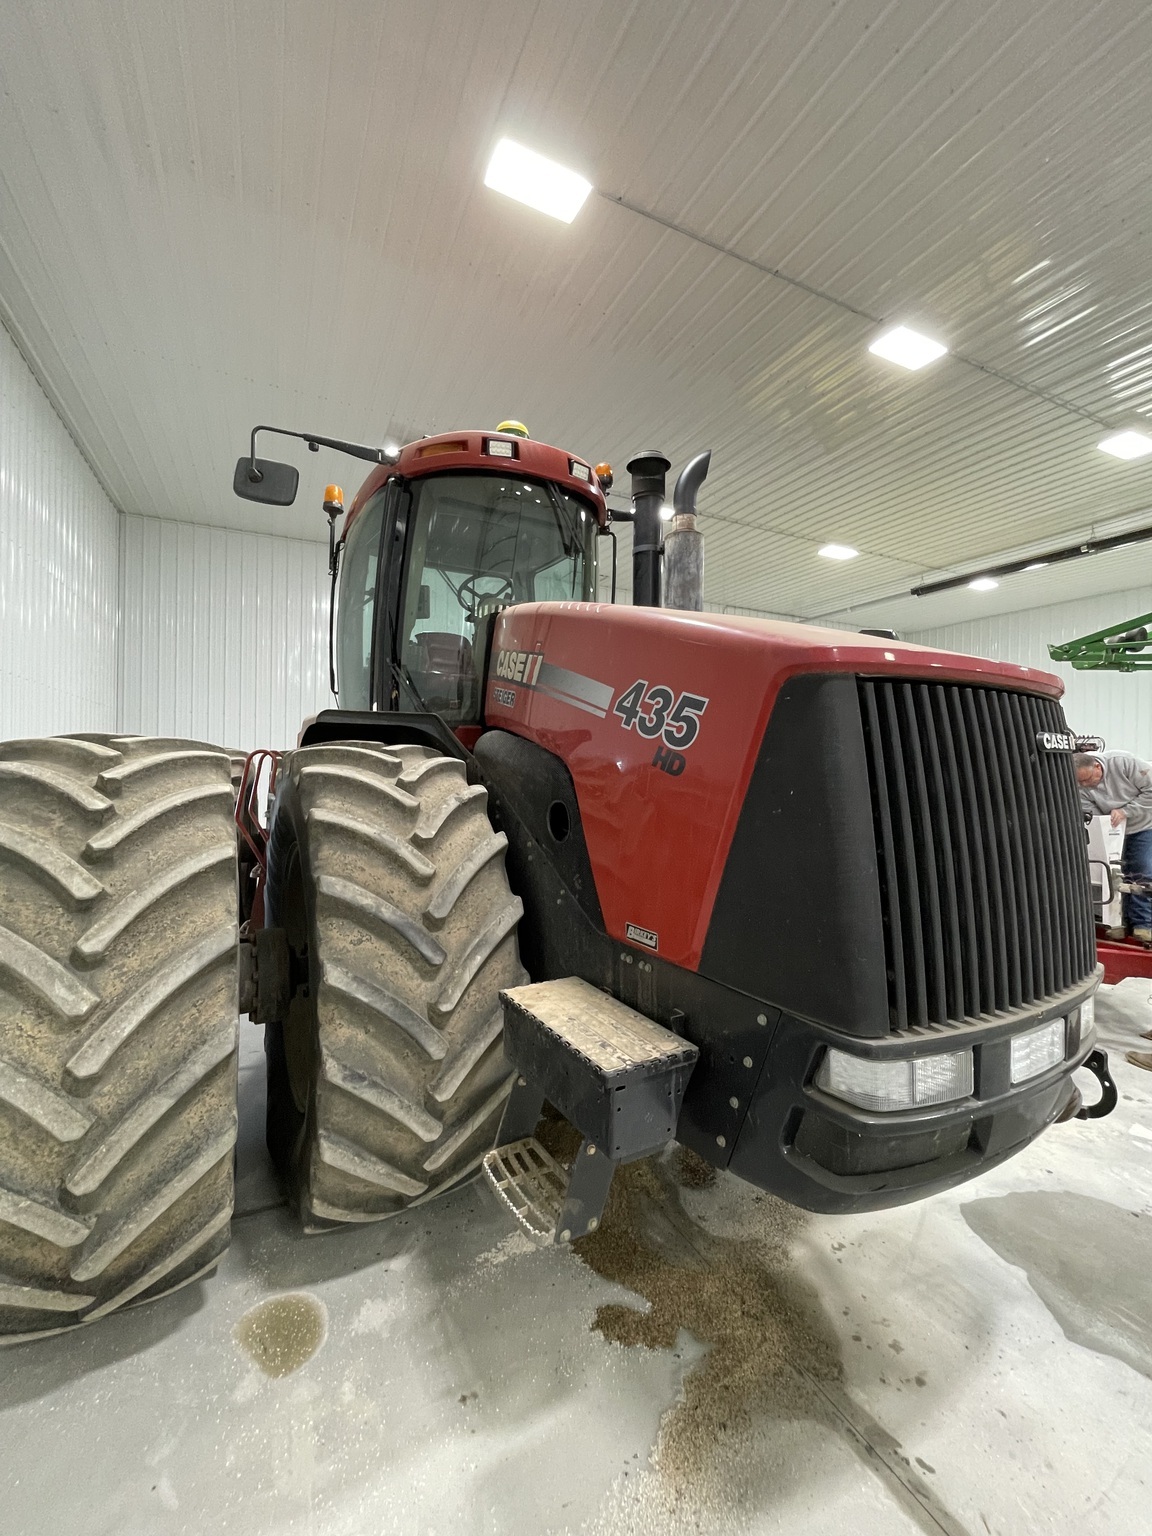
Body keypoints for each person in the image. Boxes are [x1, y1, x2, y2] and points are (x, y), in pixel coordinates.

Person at [1074, 749, 1152, 1075]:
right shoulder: (1081, 784)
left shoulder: (1125, 764)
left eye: (1091, 781)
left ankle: (1144, 926)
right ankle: (1128, 923)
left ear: (1097, 765)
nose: (1089, 788)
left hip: (1144, 824)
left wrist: (1126, 810)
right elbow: (1088, 812)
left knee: (1143, 874)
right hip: (1116, 830)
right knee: (1122, 877)